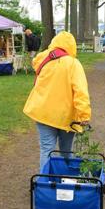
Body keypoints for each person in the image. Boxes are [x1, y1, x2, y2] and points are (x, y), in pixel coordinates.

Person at [23, 31, 91, 170]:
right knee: (66, 151)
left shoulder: (43, 59)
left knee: (46, 150)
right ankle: (65, 180)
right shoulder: (73, 64)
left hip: (43, 112)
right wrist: (84, 115)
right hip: (65, 116)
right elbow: (80, 91)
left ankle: (45, 184)